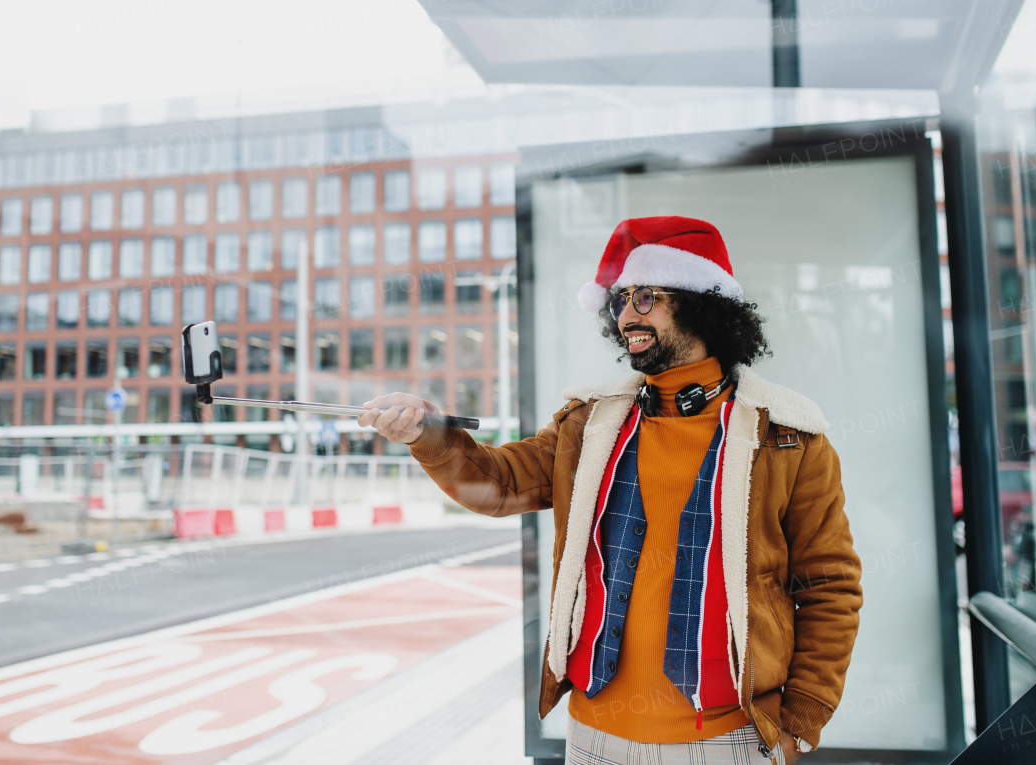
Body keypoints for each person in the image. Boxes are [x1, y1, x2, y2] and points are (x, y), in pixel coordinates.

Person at [359, 216, 862, 765]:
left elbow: (829, 586)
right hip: (593, 739)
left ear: (701, 305)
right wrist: (427, 436)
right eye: (620, 300)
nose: (625, 315)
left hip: (727, 742)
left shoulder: (787, 437)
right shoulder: (588, 426)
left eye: (645, 297)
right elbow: (496, 486)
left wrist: (801, 722)